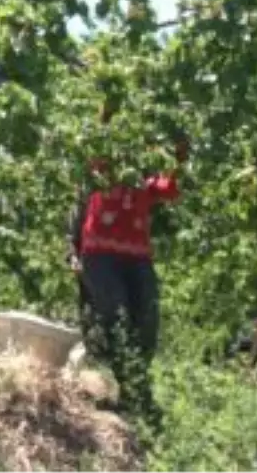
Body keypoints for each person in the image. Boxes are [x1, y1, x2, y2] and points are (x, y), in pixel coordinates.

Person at [69, 123, 187, 422]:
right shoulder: (102, 171)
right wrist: (109, 110)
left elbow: (171, 189)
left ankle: (134, 387)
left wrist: (180, 157)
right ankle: (133, 391)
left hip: (137, 258)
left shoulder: (146, 183)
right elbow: (97, 141)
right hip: (100, 256)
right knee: (116, 315)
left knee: (147, 317)